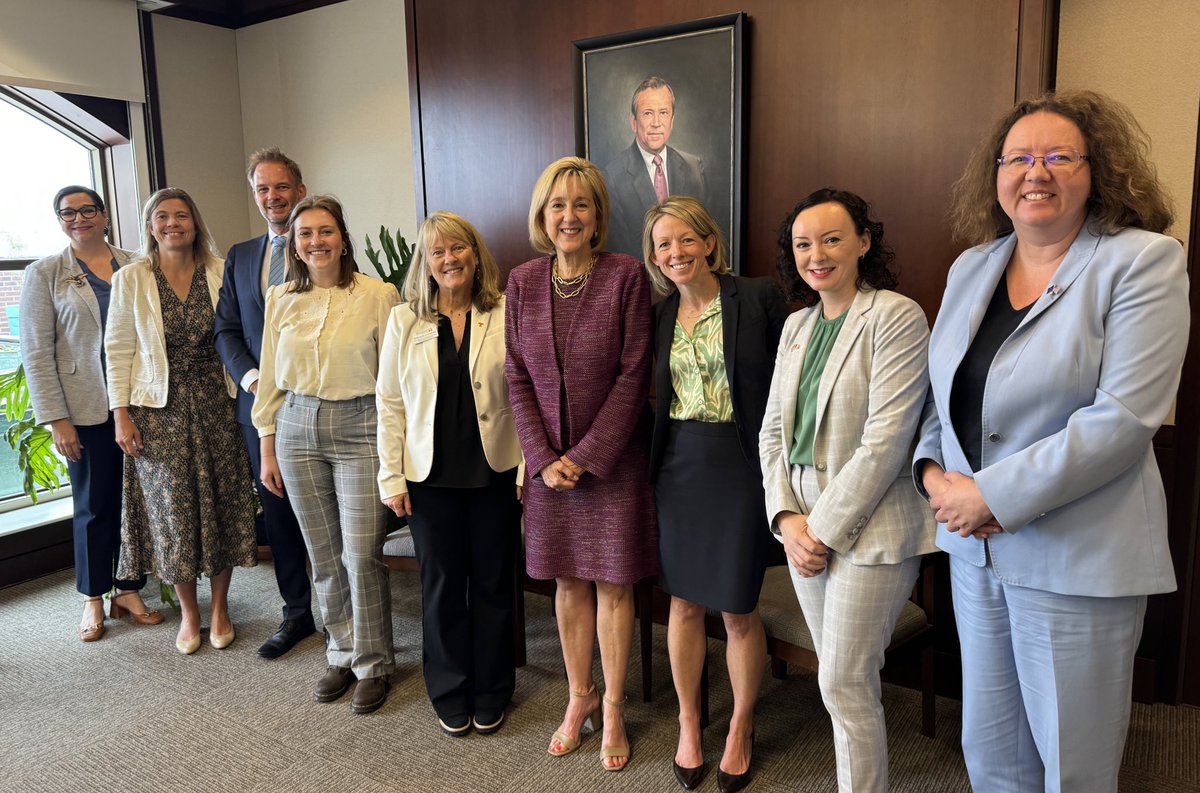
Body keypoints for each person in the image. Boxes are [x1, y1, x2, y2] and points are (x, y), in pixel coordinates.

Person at [915, 89, 1187, 793]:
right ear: (996, 174)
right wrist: (933, 476)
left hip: (1078, 557)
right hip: (976, 556)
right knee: (991, 749)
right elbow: (940, 396)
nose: (1036, 171)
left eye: (1059, 156)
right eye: (1019, 157)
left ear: (1097, 170)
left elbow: (1125, 418)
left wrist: (992, 495)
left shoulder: (1142, 262)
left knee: (1074, 764)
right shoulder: (971, 266)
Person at [760, 188, 937, 793]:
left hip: (872, 529)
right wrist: (787, 520)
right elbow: (772, 435)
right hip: (801, 524)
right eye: (803, 244)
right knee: (838, 683)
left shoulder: (895, 315)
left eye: (833, 239)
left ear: (863, 242)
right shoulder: (795, 326)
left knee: (843, 681)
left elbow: (887, 442)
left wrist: (822, 531)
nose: (817, 255)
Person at [505, 156, 656, 771]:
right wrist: (542, 459)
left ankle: (615, 705)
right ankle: (580, 697)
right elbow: (516, 375)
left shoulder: (626, 277)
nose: (569, 216)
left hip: (613, 465)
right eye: (557, 205)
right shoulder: (522, 281)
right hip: (547, 472)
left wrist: (587, 456)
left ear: (598, 217)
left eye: (581, 205)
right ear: (543, 215)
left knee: (614, 586)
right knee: (567, 582)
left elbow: (634, 373)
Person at [644, 196, 788, 793]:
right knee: (681, 604)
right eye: (662, 245)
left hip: (740, 466)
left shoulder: (756, 298)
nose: (675, 253)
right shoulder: (656, 316)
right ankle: (688, 724)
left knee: (736, 607)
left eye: (684, 240)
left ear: (707, 241)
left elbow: (791, 384)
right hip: (678, 466)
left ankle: (742, 726)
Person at [376, 211, 524, 736]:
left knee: (491, 583)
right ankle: (448, 686)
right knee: (441, 585)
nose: (449, 259)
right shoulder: (404, 321)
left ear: (475, 254)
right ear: (426, 263)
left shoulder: (505, 312)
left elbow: (527, 395)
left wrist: (528, 464)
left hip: (494, 470)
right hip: (428, 477)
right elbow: (389, 403)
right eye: (437, 252)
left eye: (457, 248)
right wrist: (390, 478)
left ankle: (492, 688)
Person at [254, 195, 400, 714]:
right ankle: (340, 652)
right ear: (293, 244)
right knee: (322, 553)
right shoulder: (281, 298)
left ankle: (375, 661)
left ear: (343, 237)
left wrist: (394, 453)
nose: (316, 242)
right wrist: (268, 444)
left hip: (361, 425)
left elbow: (392, 379)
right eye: (305, 234)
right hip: (295, 428)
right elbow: (270, 377)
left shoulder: (378, 294)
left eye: (325, 231)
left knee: (361, 553)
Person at [105, 187, 258, 655]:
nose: (173, 223)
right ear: (150, 226)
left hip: (219, 404)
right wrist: (121, 415)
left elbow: (236, 334)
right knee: (174, 514)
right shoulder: (131, 278)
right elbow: (117, 349)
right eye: (163, 216)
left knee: (221, 504)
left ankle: (220, 608)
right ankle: (190, 613)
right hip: (157, 412)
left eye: (182, 215)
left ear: (195, 223)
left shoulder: (219, 271)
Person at [20, 185, 163, 643]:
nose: (78, 219)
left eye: (87, 210)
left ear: (104, 215)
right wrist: (56, 419)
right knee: (93, 506)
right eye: (67, 213)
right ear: (59, 220)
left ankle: (128, 589)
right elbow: (37, 353)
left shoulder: (137, 264)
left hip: (139, 403)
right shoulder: (45, 274)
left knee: (137, 504)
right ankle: (93, 596)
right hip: (83, 410)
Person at [214, 147, 316, 659]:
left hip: (319, 403)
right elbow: (226, 329)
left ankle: (347, 614)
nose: (272, 197)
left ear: (299, 190)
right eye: (262, 189)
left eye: (281, 187)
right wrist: (251, 377)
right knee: (278, 512)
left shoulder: (323, 243)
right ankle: (297, 613)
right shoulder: (242, 255)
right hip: (262, 408)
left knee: (329, 510)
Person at [603, 76, 708, 259]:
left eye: (664, 113)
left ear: (672, 120)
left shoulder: (693, 168)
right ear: (634, 122)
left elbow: (702, 234)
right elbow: (620, 251)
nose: (657, 122)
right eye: (648, 113)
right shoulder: (612, 177)